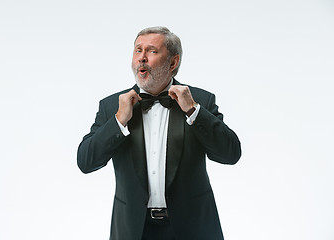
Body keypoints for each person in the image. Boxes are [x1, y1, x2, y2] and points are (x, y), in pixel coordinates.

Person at [77, 26, 241, 240]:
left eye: (152, 51)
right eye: (138, 50)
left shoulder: (200, 101)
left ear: (173, 62)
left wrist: (194, 111)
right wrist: (119, 121)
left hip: (193, 228)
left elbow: (230, 154)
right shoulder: (112, 107)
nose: (142, 58)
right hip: (133, 229)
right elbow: (86, 161)